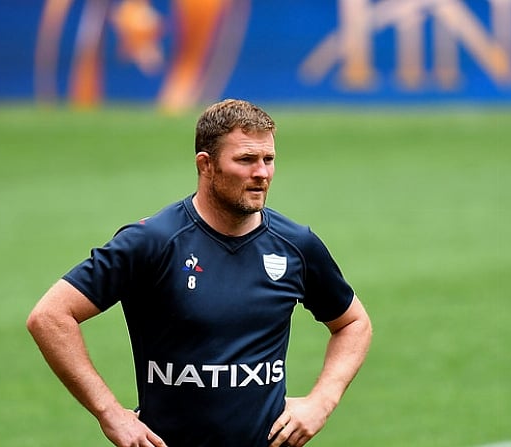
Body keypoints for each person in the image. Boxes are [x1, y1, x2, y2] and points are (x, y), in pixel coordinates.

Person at [26, 99, 372, 447]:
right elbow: (51, 316)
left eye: (268, 160)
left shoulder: (295, 245)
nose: (262, 173)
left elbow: (354, 323)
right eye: (246, 160)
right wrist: (109, 413)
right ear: (206, 165)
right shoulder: (152, 243)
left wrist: (321, 402)